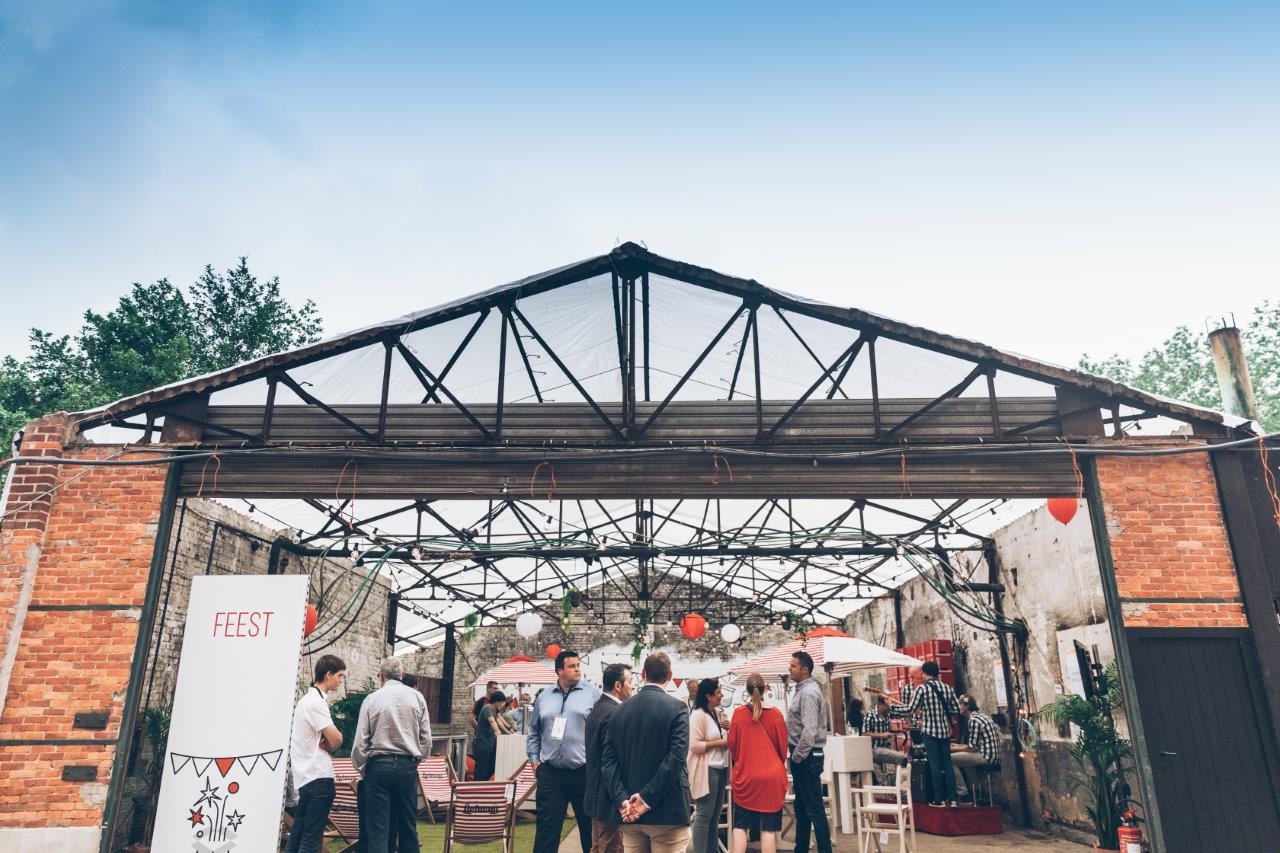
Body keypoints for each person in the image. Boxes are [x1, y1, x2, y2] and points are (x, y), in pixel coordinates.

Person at [600, 652, 692, 852]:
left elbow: (608, 762)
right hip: (667, 811)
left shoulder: (618, 711)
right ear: (669, 676)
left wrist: (622, 799)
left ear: (643, 674)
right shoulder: (677, 708)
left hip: (630, 812)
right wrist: (645, 798)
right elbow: (676, 759)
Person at [351, 656, 433, 853]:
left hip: (378, 766)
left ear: (381, 676)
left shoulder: (371, 699)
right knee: (408, 827)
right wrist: (416, 760)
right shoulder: (417, 697)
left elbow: (360, 741)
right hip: (407, 765)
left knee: (378, 830)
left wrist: (362, 767)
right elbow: (426, 740)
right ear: (402, 675)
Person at [528, 649, 601, 853]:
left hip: (583, 772)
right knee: (546, 830)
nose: (577, 669)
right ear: (560, 670)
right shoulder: (544, 697)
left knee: (589, 829)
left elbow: (603, 730)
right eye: (572, 666)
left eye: (578, 665)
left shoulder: (593, 693)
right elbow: (533, 731)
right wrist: (534, 761)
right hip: (550, 772)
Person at [285, 654, 346, 853]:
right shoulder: (315, 703)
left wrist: (325, 741)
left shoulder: (306, 701)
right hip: (318, 776)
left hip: (306, 777)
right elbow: (337, 739)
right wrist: (331, 741)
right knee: (311, 839)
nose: (340, 680)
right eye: (339, 675)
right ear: (328, 674)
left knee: (298, 835)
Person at [727, 673, 788, 853]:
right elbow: (783, 748)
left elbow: (732, 746)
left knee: (740, 826)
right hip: (772, 778)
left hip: (746, 777)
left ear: (747, 691)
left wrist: (742, 760)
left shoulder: (738, 714)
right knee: (768, 829)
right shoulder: (776, 714)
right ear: (763, 690)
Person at [894, 660, 961, 807]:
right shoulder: (947, 688)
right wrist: (942, 713)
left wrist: (893, 709)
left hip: (929, 731)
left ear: (924, 674)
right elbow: (957, 709)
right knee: (947, 764)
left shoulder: (922, 689)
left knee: (934, 764)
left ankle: (939, 799)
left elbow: (910, 709)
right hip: (945, 732)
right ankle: (953, 799)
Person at [586, 663, 635, 853]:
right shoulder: (614, 712)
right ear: (618, 685)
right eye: (630, 681)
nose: (633, 686)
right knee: (611, 847)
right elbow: (611, 760)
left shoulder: (598, 708)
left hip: (596, 794)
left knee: (598, 847)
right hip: (608, 796)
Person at [786, 651, 831, 853]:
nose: (789, 669)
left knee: (814, 809)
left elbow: (810, 730)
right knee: (802, 808)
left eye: (793, 666)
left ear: (804, 669)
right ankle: (801, 849)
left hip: (806, 756)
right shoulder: (803, 690)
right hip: (806, 755)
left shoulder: (808, 693)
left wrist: (796, 757)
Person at [688, 678, 729, 853]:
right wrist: (720, 742)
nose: (721, 695)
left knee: (715, 817)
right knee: (704, 816)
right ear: (708, 696)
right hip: (707, 770)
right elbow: (694, 746)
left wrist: (727, 730)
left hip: (720, 768)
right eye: (718, 692)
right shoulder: (698, 715)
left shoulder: (715, 713)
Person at [951, 696, 1000, 800]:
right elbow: (974, 745)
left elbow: (972, 748)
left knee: (949, 759)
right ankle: (975, 789)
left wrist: (954, 749)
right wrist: (957, 746)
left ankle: (963, 793)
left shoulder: (973, 720)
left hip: (987, 756)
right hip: (992, 754)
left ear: (967, 706)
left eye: (960, 704)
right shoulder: (981, 716)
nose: (959, 707)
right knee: (963, 759)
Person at [862, 695, 910, 779]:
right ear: (881, 704)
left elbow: (904, 711)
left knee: (907, 759)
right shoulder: (870, 715)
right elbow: (865, 734)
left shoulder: (888, 713)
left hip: (886, 747)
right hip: (874, 749)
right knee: (902, 758)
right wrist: (883, 735)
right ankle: (895, 782)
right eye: (888, 706)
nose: (889, 708)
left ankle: (893, 781)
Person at [473, 690, 509, 781]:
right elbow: (492, 721)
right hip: (482, 743)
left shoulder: (493, 710)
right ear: (497, 702)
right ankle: (477, 786)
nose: (502, 705)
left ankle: (483, 783)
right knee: (481, 769)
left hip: (489, 744)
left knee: (491, 766)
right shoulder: (487, 708)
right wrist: (498, 732)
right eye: (501, 703)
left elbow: (498, 722)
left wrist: (508, 731)